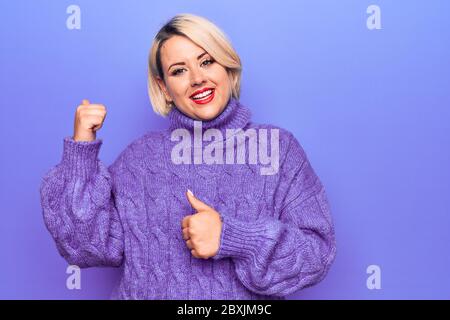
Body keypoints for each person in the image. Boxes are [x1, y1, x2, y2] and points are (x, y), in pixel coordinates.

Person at [39, 13, 336, 300]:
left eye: (207, 62)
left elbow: (317, 254)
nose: (197, 79)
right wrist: (82, 149)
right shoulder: (139, 159)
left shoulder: (278, 149)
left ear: (228, 69)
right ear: (164, 88)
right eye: (178, 71)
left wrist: (234, 238)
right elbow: (84, 246)